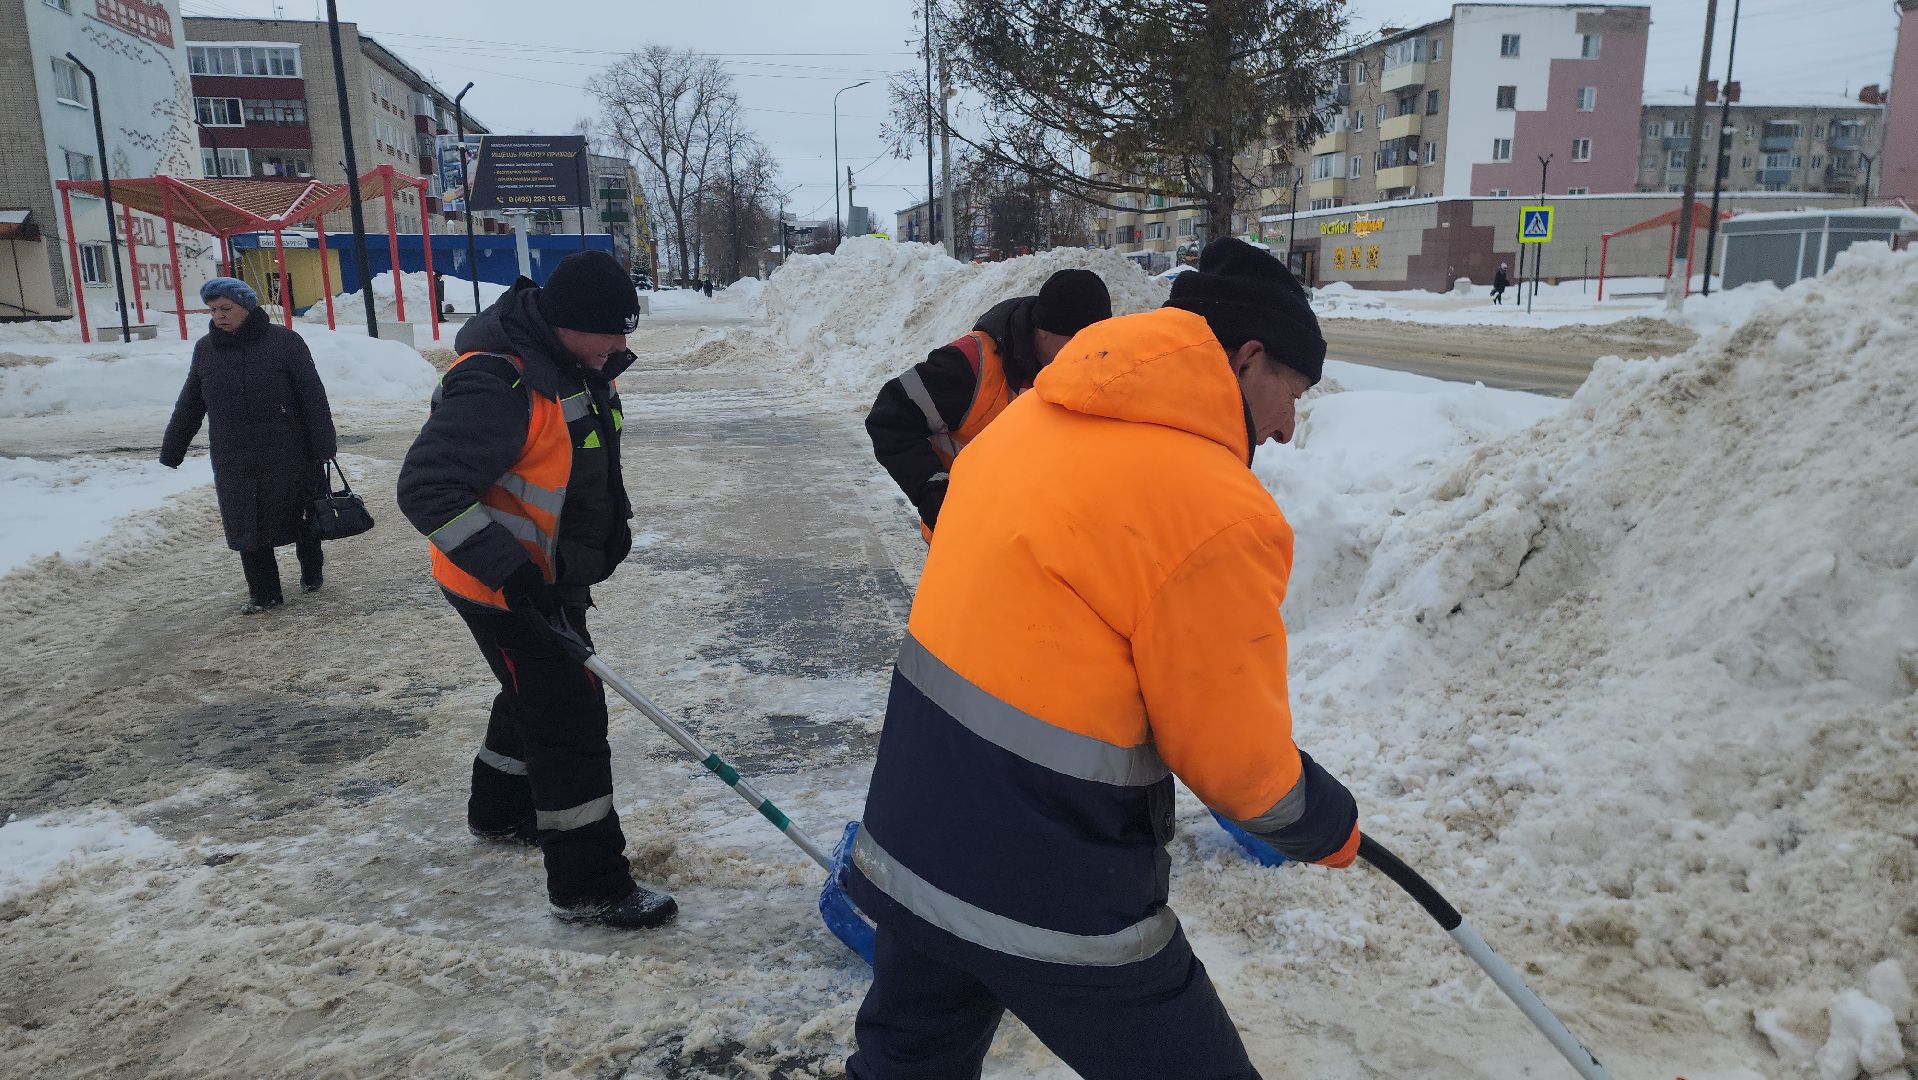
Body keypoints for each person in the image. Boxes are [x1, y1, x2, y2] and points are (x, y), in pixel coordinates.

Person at [844, 237, 1360, 1080]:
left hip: (914, 839)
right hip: (1051, 882)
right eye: (1290, 394)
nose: (1288, 427)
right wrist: (1323, 822)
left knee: (905, 1068)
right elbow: (1238, 769)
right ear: (1248, 356)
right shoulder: (1216, 511)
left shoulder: (1025, 426)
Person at [396, 250, 676, 931]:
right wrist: (512, 570)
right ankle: (588, 886)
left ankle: (499, 810)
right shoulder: (502, 383)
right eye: (612, 329)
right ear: (568, 323)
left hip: (549, 577)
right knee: (569, 720)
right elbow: (425, 487)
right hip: (502, 584)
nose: (622, 344)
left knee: (533, 688)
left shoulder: (576, 366)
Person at [864, 268, 1111, 533]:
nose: (1089, 356)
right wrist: (933, 491)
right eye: (1076, 343)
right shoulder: (972, 364)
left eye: (1098, 345)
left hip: (1048, 547)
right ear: (1043, 331)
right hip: (970, 541)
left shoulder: (1097, 368)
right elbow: (889, 418)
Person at [160, 277, 336, 614]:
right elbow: (191, 402)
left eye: (226, 309)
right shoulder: (206, 350)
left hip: (288, 450)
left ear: (247, 307)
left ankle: (311, 569)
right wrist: (173, 448)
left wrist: (323, 444)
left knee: (300, 515)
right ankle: (264, 592)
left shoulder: (285, 342)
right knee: (247, 523)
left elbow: (312, 396)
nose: (219, 316)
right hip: (234, 454)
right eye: (213, 310)